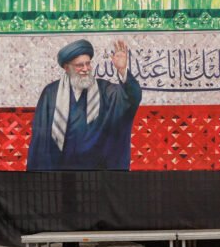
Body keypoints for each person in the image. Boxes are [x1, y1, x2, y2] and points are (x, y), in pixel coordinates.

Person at [26, 38, 142, 171]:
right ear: (67, 68)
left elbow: (130, 98)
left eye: (88, 64)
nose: (86, 69)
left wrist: (122, 70)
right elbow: (41, 136)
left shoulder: (104, 89)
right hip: (60, 170)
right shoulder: (51, 93)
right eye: (79, 65)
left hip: (97, 172)